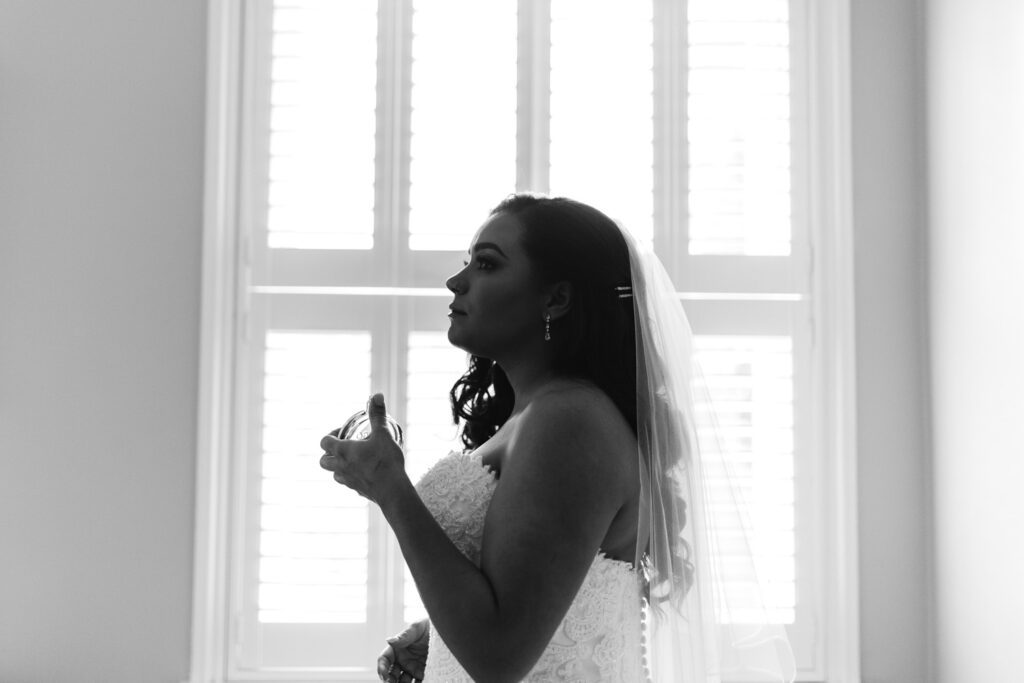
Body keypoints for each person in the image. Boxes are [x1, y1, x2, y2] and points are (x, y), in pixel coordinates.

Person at [320, 195, 795, 682]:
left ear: (556, 299)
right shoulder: (545, 413)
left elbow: (499, 656)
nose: (456, 281)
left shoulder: (569, 421)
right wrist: (441, 634)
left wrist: (390, 488)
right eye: (467, 263)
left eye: (486, 264)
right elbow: (539, 596)